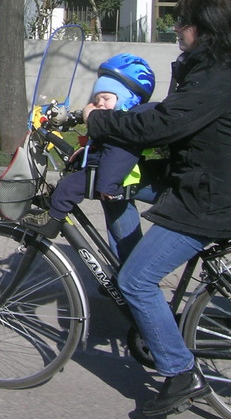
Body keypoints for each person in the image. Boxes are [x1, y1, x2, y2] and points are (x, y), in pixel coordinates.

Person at [83, 0, 231, 417]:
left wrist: (101, 120)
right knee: (118, 185)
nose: (176, 30)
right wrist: (105, 120)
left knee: (136, 282)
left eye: (180, 22)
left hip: (211, 199)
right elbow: (170, 114)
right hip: (204, 181)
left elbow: (163, 125)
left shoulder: (220, 74)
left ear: (201, 28)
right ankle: (136, 280)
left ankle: (179, 372)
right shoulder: (218, 65)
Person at [21, 53, 156, 264]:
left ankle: (53, 217)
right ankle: (124, 269)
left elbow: (118, 155)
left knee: (67, 187)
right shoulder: (118, 123)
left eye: (107, 99)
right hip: (111, 176)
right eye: (96, 99)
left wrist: (108, 185)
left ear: (127, 100)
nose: (100, 104)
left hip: (110, 178)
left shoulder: (121, 131)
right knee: (118, 226)